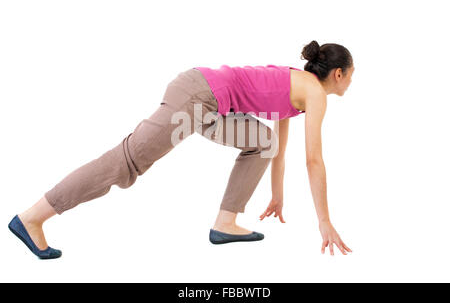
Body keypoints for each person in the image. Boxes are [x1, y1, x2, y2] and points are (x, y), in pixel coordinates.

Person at [8, 40, 355, 259]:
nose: (352, 81)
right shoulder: (315, 93)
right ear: (337, 74)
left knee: (263, 140)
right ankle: (32, 218)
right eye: (351, 75)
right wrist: (324, 222)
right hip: (198, 96)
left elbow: (277, 148)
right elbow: (313, 160)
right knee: (124, 163)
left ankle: (226, 222)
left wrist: (277, 195)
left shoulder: (302, 90)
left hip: (209, 104)